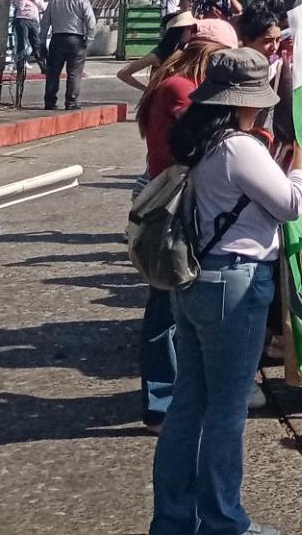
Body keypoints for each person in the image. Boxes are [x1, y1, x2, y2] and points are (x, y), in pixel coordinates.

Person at [150, 47, 302, 535]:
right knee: (226, 410)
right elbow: (291, 204)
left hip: (198, 277)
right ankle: (224, 520)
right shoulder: (240, 147)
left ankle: (175, 518)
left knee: (189, 403)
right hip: (236, 281)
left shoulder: (198, 140)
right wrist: (299, 163)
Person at [132, 24, 234, 430]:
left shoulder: (177, 82)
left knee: (174, 304)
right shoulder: (179, 87)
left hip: (177, 201)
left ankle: (170, 395)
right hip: (174, 208)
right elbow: (196, 147)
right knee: (166, 306)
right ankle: (160, 400)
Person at [41, 0, 98, 110]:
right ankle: (71, 101)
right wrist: (89, 40)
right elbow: (91, 23)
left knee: (53, 72)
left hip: (57, 38)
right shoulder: (83, 1)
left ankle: (50, 101)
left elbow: (44, 23)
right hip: (76, 39)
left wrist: (42, 42)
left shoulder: (55, 0)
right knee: (74, 72)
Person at [10, 0, 47, 77]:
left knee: (37, 44)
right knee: (22, 44)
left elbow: (43, 7)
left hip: (34, 21)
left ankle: (43, 66)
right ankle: (20, 68)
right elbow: (20, 7)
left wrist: (34, 0)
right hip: (22, 20)